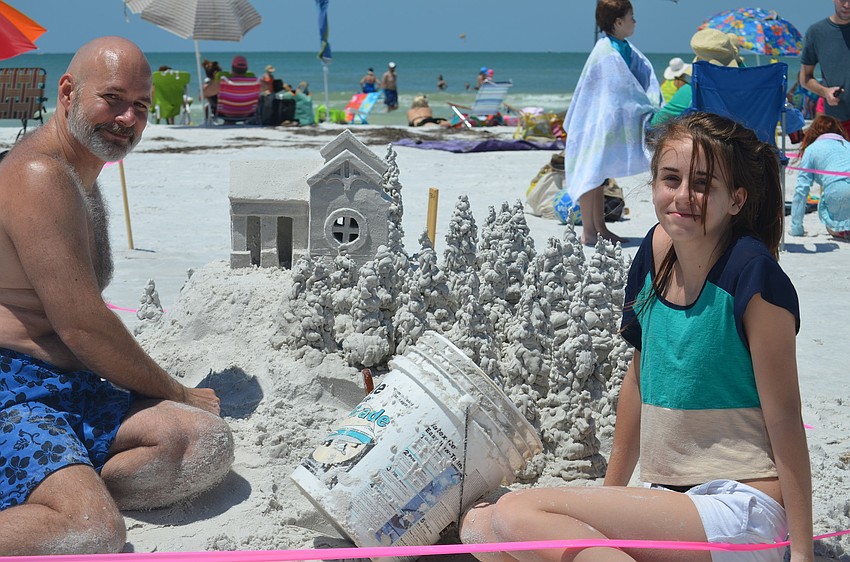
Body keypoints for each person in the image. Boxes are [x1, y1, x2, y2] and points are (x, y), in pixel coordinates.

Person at [460, 111, 813, 562]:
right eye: (670, 179)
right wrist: (608, 502)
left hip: (739, 511)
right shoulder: (657, 250)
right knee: (480, 528)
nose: (683, 196)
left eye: (703, 184)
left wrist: (801, 553)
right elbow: (639, 378)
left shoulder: (753, 275)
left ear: (737, 200)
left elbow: (785, 419)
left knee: (515, 515)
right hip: (670, 500)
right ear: (652, 184)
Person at [0, 36, 234, 554]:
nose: (128, 117)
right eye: (112, 98)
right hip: (12, 391)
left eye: (142, 105)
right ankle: (66, 496)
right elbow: (82, 325)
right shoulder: (37, 175)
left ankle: (60, 481)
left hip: (68, 387)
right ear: (68, 92)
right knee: (93, 530)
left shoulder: (80, 175)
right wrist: (177, 390)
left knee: (198, 444)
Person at [563, 0, 661, 245]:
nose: (635, 21)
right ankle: (588, 230)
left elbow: (635, 78)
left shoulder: (623, 47)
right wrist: (641, 101)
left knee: (599, 175)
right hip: (594, 120)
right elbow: (615, 86)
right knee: (590, 172)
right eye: (631, 16)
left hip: (605, 121)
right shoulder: (605, 51)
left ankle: (600, 228)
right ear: (618, 22)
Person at [649, 29, 741, 128]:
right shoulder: (747, 87)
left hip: (707, 140)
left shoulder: (692, 91)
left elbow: (656, 123)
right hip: (744, 139)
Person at [789, 114, 850, 240]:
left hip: (839, 192)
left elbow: (801, 191)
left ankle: (843, 231)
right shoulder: (848, 145)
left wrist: (796, 228)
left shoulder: (812, 149)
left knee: (831, 226)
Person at [800, 0, 850, 138]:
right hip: (834, 121)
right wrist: (825, 91)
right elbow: (805, 78)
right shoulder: (816, 32)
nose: (847, 5)